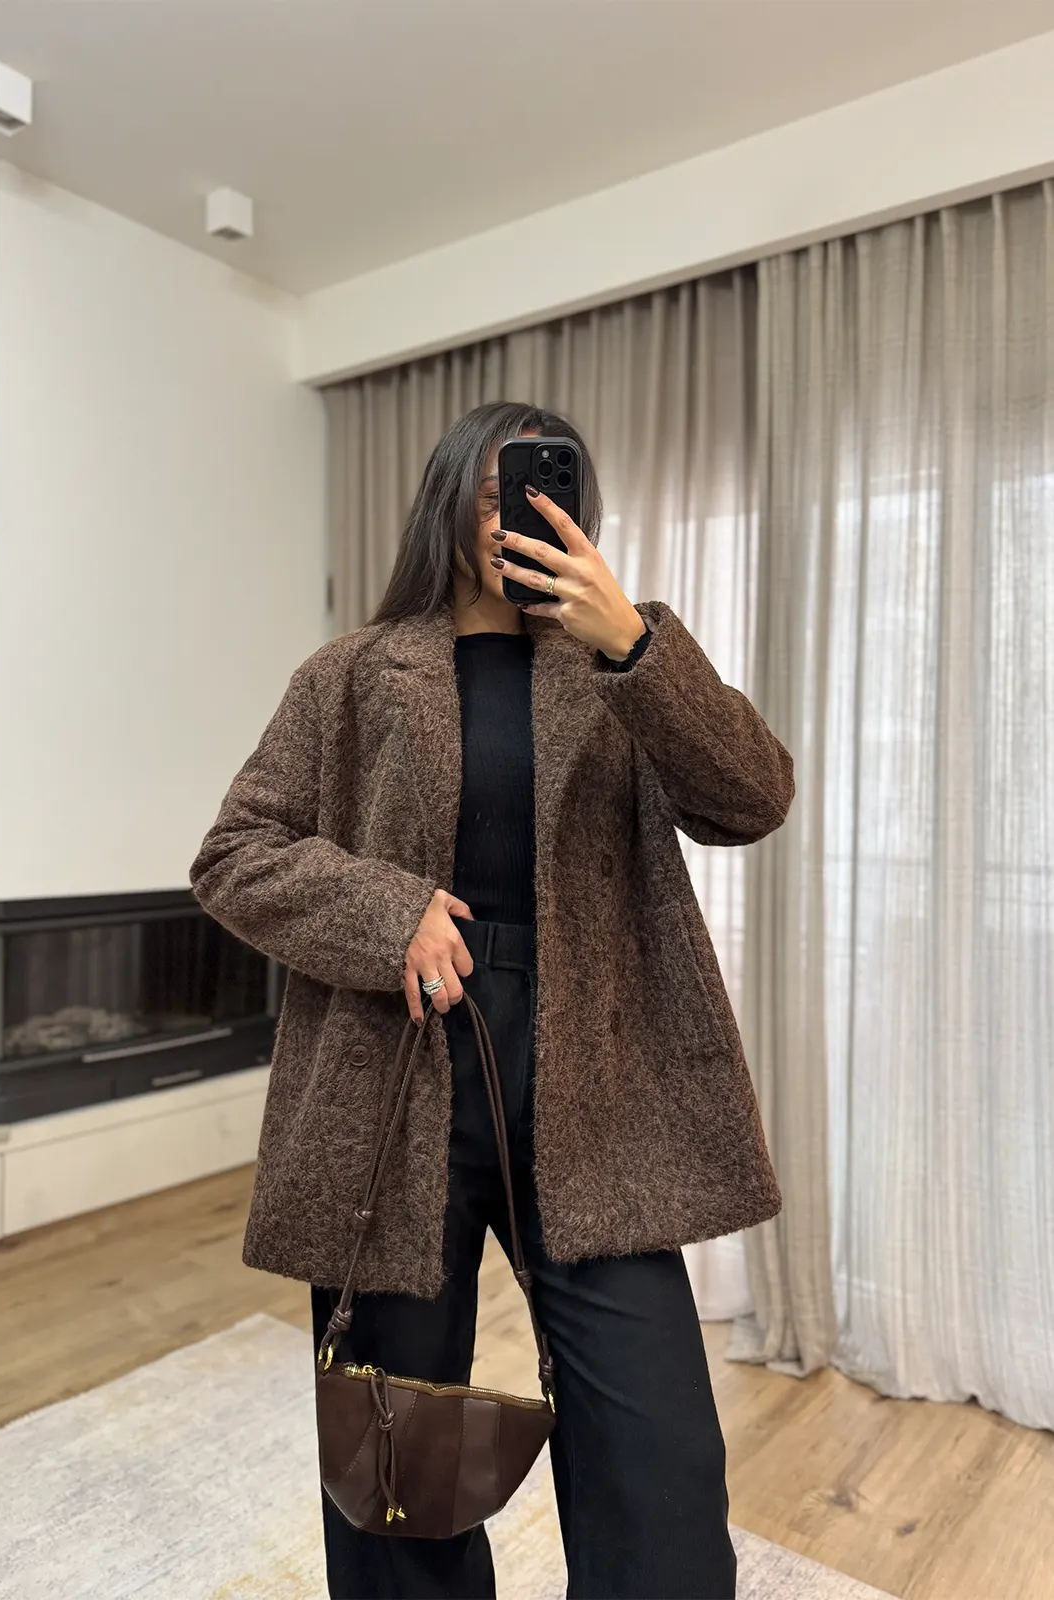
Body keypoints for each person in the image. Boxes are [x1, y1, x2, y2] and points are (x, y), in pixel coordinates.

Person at [190, 401, 794, 1600]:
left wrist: (634, 644)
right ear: (447, 506)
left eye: (546, 490)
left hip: (592, 1089)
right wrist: (388, 912)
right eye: (492, 492)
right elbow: (235, 854)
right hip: (390, 1088)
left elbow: (752, 797)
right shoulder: (350, 674)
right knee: (400, 1457)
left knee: (659, 1459)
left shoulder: (617, 665)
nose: (515, 515)